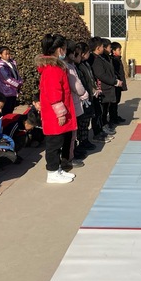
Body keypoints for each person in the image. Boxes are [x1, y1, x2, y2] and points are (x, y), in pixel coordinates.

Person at [36, 34, 77, 184]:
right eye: (64, 48)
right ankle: (52, 172)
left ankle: (57, 169)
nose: (65, 51)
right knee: (54, 143)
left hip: (59, 111)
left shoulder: (56, 67)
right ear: (59, 49)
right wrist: (60, 113)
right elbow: (54, 94)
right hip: (55, 113)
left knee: (59, 142)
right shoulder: (52, 69)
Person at [64, 39, 89, 166]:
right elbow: (77, 86)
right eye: (74, 53)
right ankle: (69, 158)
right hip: (72, 103)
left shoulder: (70, 66)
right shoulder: (68, 68)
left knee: (72, 133)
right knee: (71, 134)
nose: (75, 56)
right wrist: (84, 94)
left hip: (72, 102)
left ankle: (70, 155)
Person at [92, 38, 121, 134]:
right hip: (102, 89)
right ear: (99, 48)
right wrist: (114, 81)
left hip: (106, 88)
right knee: (100, 112)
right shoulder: (96, 59)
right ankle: (99, 130)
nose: (108, 49)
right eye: (108, 47)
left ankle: (103, 126)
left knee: (104, 110)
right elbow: (101, 75)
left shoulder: (101, 58)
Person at [0, 46, 23, 115]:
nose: (8, 55)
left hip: (12, 91)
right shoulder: (0, 66)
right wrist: (18, 84)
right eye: (5, 54)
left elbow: (16, 74)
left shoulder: (12, 63)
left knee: (11, 110)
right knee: (6, 111)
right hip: (5, 92)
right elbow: (7, 79)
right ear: (0, 55)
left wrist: (20, 81)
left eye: (9, 53)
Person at [110, 41, 128, 125]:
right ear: (113, 51)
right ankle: (112, 118)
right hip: (116, 83)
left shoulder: (118, 59)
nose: (120, 51)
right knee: (114, 102)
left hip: (119, 83)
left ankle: (115, 116)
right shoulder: (113, 60)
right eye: (118, 50)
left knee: (117, 101)